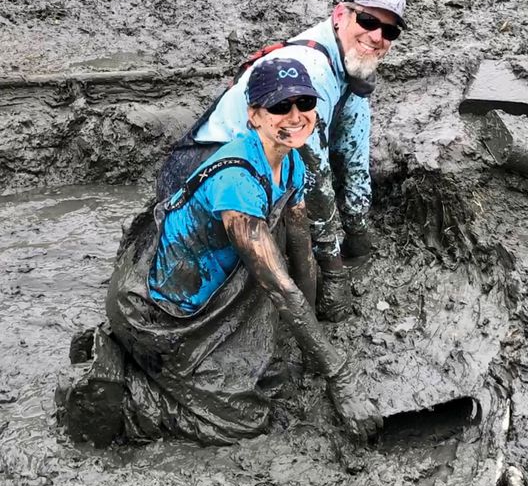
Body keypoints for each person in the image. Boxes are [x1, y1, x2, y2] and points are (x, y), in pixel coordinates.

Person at [60, 58, 382, 447]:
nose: (296, 117)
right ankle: (127, 390)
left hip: (216, 286)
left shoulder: (292, 159)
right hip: (165, 313)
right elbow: (280, 288)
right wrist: (338, 374)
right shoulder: (237, 181)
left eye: (305, 104)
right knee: (244, 422)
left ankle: (149, 367)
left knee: (274, 370)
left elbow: (302, 251)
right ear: (254, 116)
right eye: (280, 107)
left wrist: (307, 350)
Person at [157, 0, 408, 323]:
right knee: (250, 286)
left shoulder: (352, 66)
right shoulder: (313, 69)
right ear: (340, 16)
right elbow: (315, 175)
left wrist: (359, 233)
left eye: (389, 32)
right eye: (367, 21)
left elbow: (354, 154)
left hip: (265, 167)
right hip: (204, 174)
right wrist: (333, 268)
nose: (377, 37)